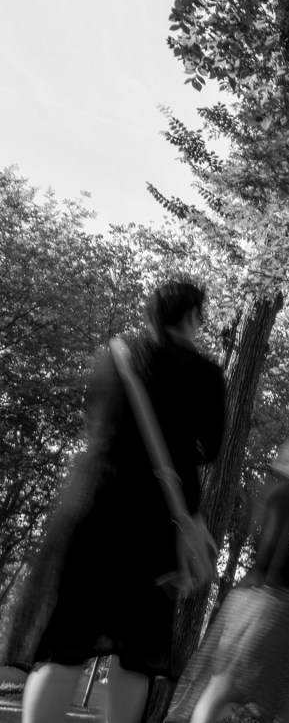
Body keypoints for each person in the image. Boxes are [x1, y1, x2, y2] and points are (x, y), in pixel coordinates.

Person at [3, 281, 225, 723]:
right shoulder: (204, 374)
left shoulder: (115, 355)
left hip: (90, 509)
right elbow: (211, 448)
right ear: (192, 316)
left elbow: (94, 422)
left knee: (64, 648)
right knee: (137, 656)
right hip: (154, 524)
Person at [167, 434, 289, 723]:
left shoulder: (275, 494)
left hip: (249, 597)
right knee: (248, 686)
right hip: (281, 601)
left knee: (239, 683)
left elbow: (261, 547)